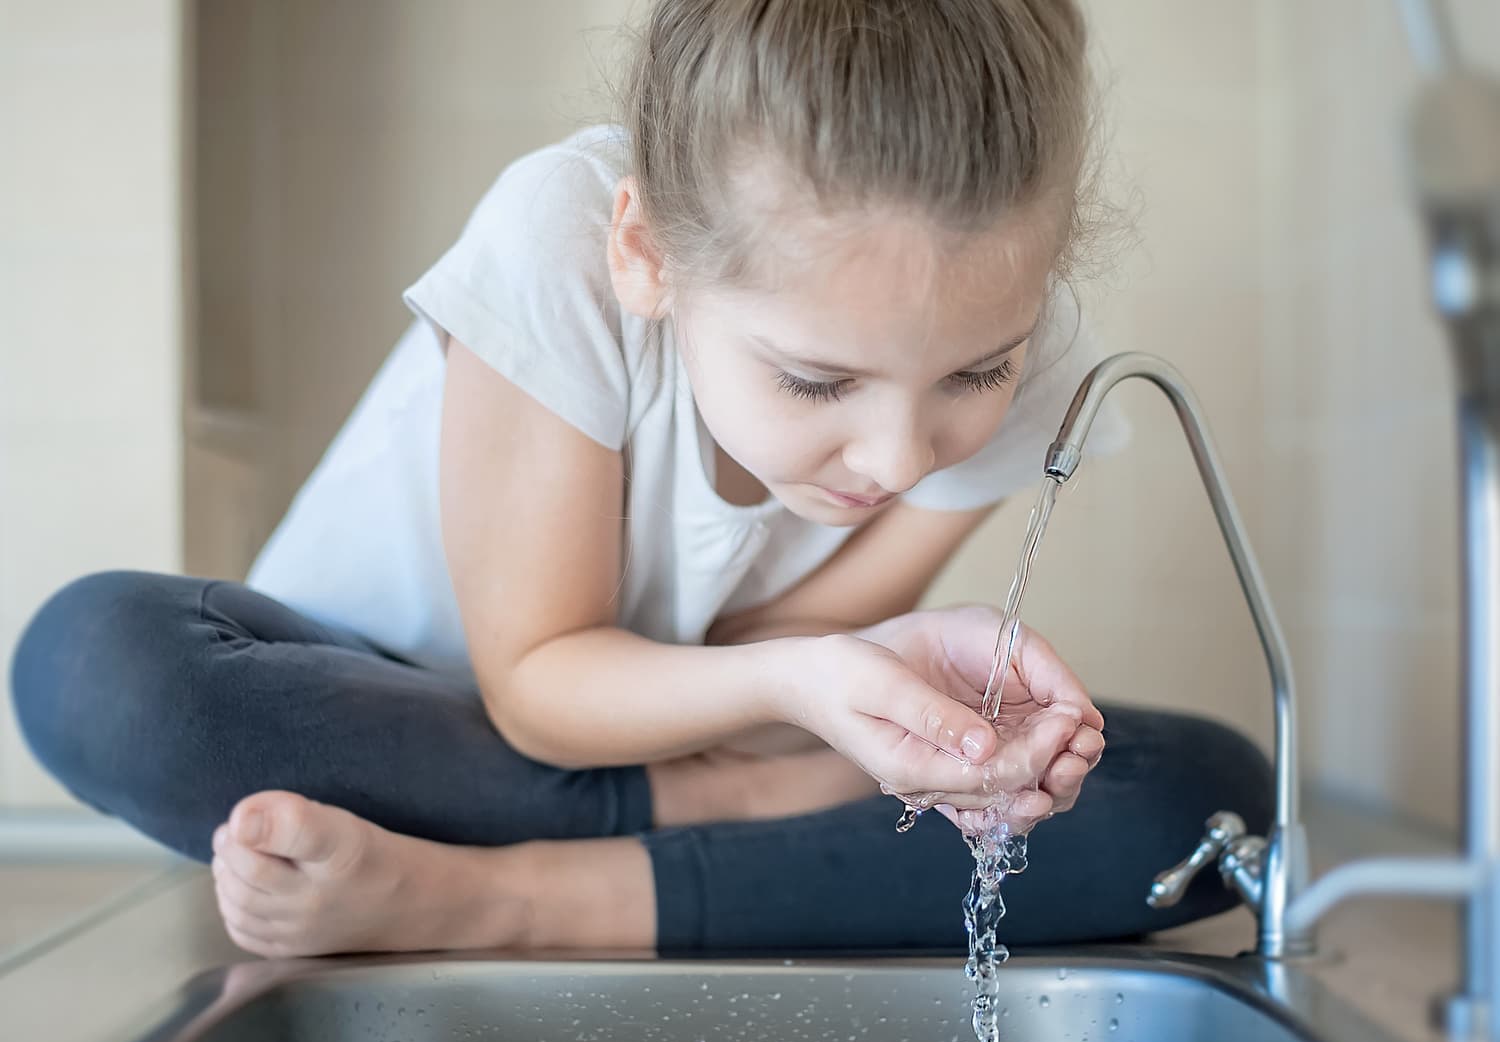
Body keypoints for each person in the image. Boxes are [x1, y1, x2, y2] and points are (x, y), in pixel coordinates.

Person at [9, 0, 1270, 959]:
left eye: (972, 376)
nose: (898, 458)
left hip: (667, 725)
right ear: (644, 253)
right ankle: (693, 845)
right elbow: (543, 691)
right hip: (401, 717)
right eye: (818, 383)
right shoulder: (556, 236)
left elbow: (755, 665)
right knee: (101, 666)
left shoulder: (1029, 340)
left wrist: (881, 685)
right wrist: (801, 741)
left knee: (1203, 800)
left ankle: (479, 897)